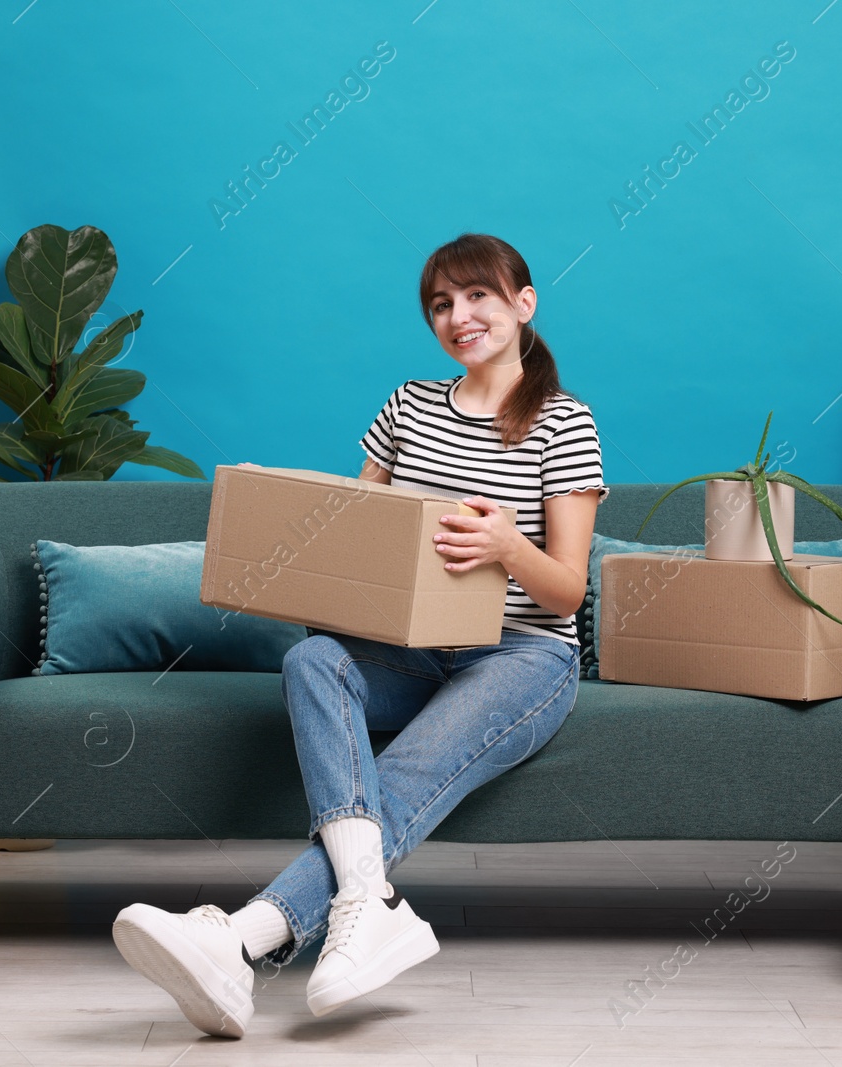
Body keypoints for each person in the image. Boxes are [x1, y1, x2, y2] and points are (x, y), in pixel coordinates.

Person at [112, 232, 608, 1037]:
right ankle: (368, 904)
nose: (459, 315)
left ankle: (241, 938)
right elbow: (355, 532)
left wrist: (507, 546)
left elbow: (568, 588)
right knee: (312, 658)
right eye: (441, 303)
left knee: (406, 771)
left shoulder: (564, 421)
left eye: (478, 295)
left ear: (523, 303)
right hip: (409, 648)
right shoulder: (408, 405)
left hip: (526, 653)